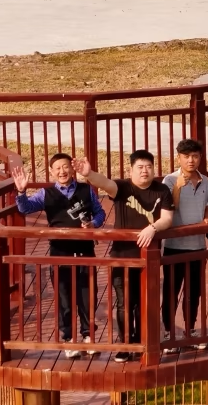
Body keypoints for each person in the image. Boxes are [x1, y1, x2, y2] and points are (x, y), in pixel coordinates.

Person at [77, 149, 174, 362]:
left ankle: (141, 342)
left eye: (148, 166)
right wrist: (89, 173)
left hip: (149, 257)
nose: (144, 171)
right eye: (140, 167)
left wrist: (153, 228)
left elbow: (167, 218)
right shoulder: (122, 188)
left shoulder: (162, 190)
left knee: (143, 302)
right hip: (121, 255)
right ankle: (125, 344)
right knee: (124, 303)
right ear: (131, 170)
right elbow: (105, 183)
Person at [12, 153, 107, 358]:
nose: (62, 172)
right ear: (52, 172)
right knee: (64, 296)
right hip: (59, 253)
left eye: (66, 167)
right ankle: (68, 339)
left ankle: (88, 336)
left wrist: (93, 224)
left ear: (72, 169)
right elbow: (25, 208)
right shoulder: (46, 194)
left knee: (87, 295)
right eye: (58, 168)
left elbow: (100, 213)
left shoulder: (86, 189)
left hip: (85, 250)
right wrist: (21, 191)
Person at [161, 139, 208, 349]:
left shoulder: (206, 181)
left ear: (200, 158)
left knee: (194, 292)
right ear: (179, 158)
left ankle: (190, 329)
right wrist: (177, 188)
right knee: (171, 291)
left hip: (197, 245)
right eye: (186, 156)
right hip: (174, 246)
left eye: (195, 156)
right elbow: (167, 209)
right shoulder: (170, 180)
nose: (191, 160)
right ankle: (168, 332)